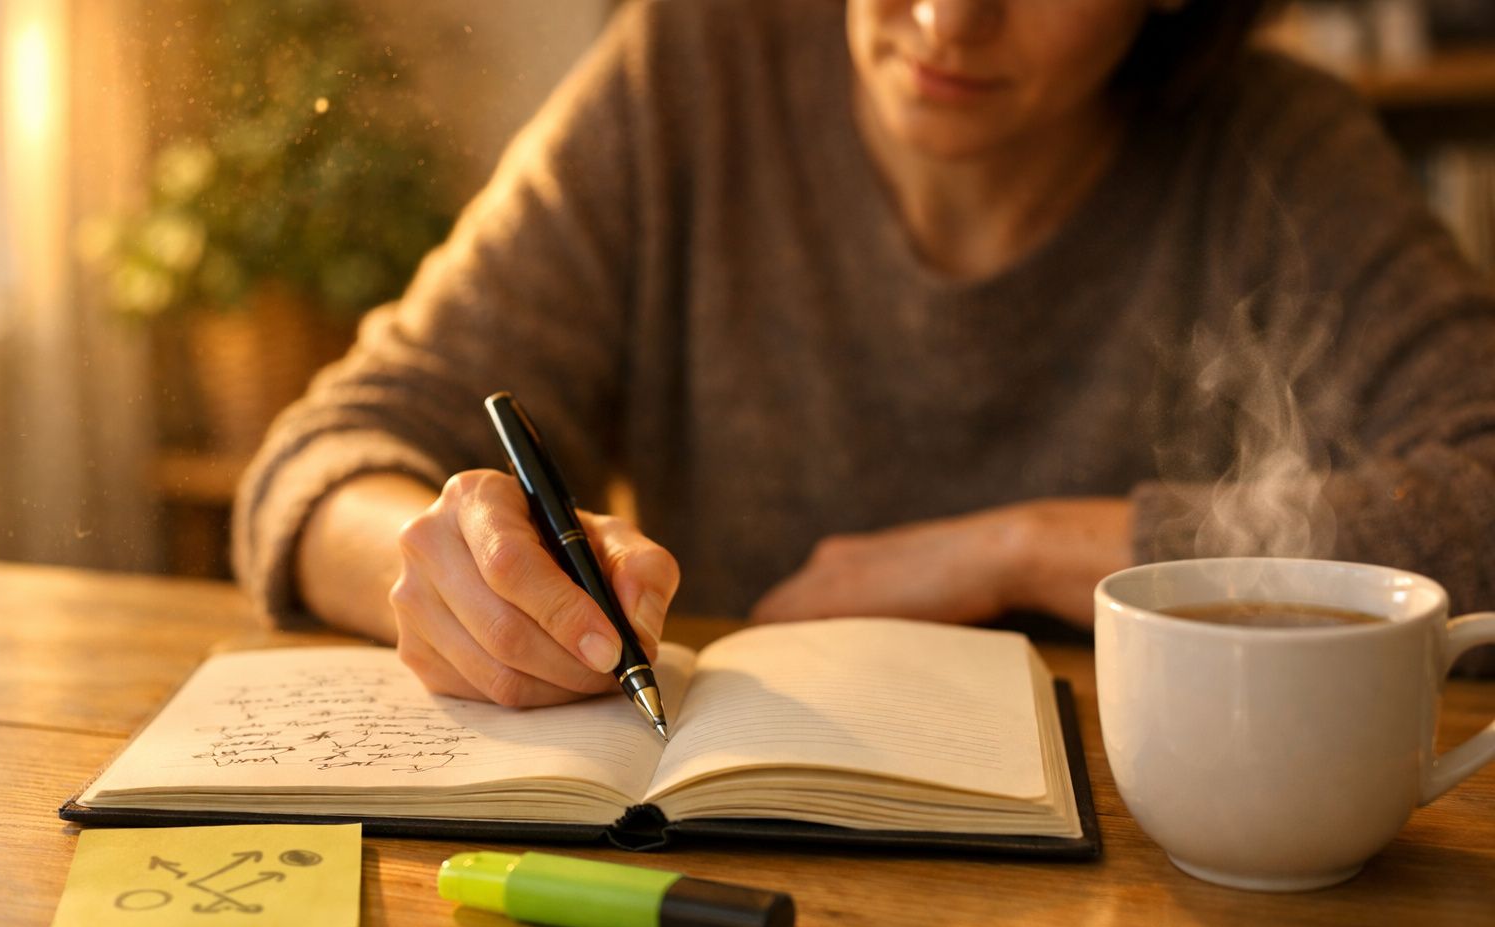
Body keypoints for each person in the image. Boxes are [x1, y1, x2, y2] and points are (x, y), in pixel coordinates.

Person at [234, 0, 1495, 707]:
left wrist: (1018, 546)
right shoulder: (692, 68)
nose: (947, 21)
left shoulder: (1279, 147)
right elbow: (328, 456)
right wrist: (458, 572)